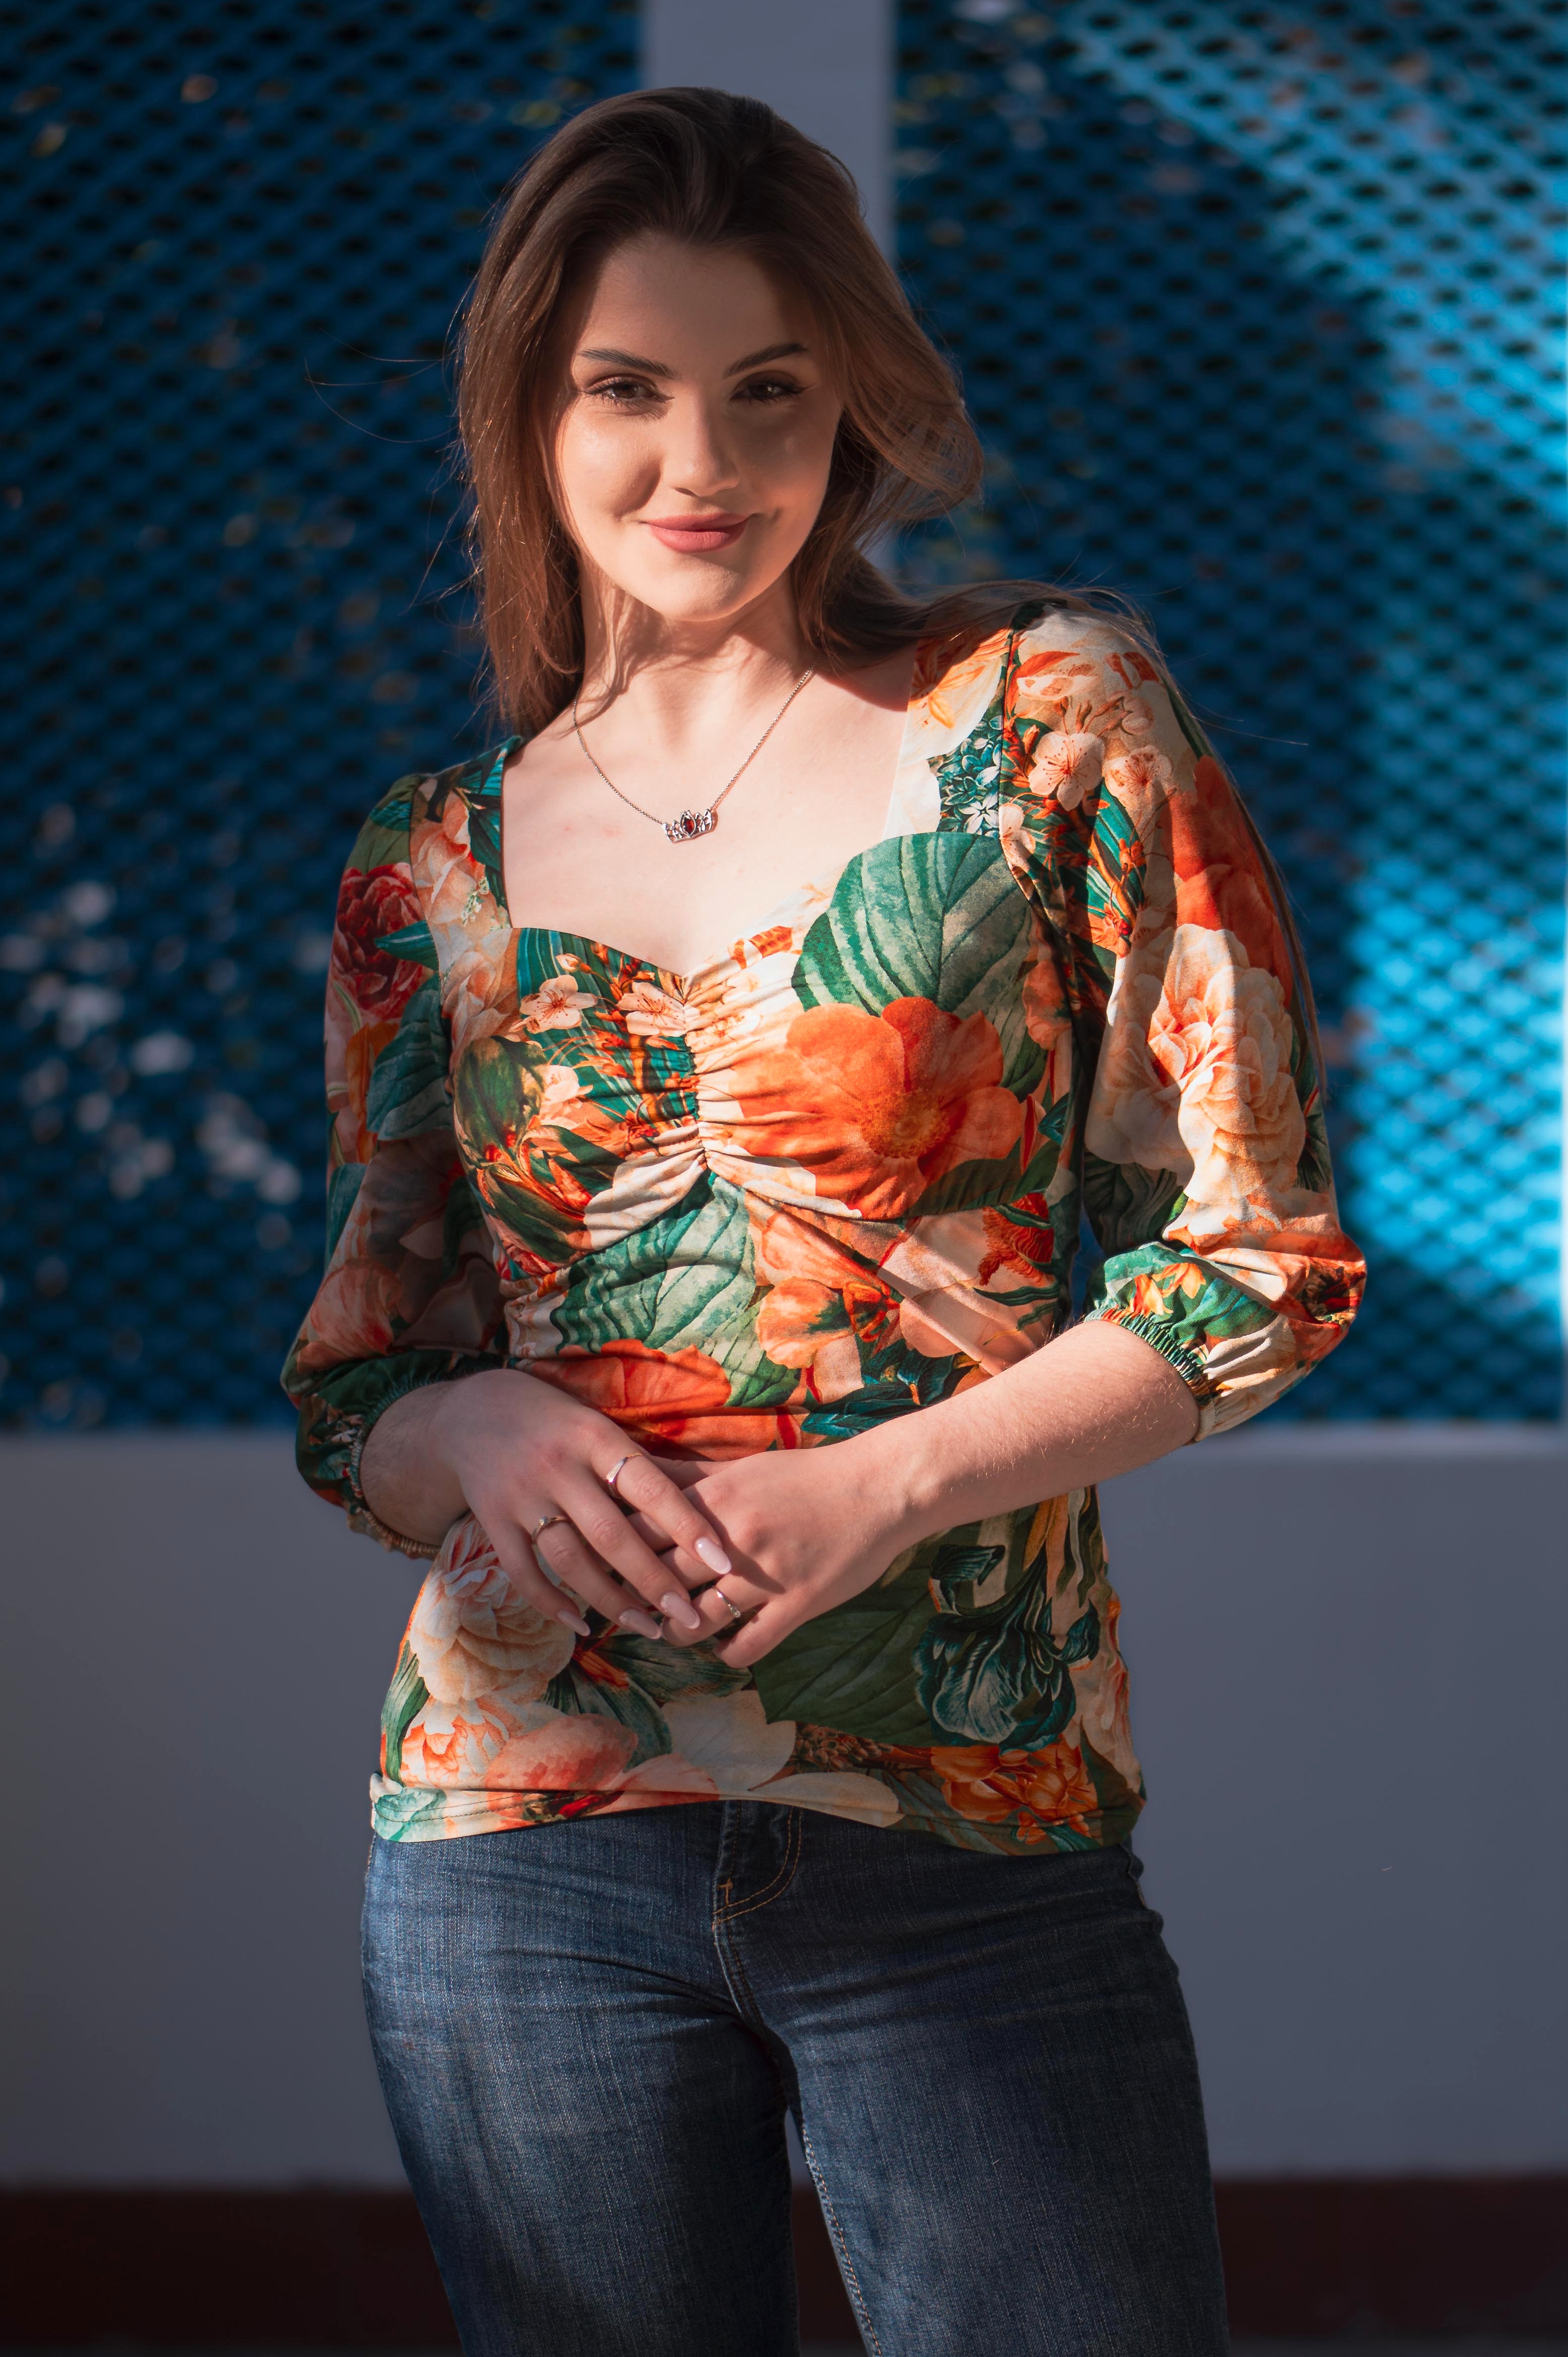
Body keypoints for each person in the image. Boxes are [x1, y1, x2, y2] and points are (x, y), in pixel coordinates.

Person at [283, 86, 1363, 2357]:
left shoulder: (1043, 720)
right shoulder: (430, 862)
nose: (704, 461)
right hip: (518, 1838)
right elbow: (359, 1389)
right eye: (629, 388)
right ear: (529, 412)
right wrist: (469, 1426)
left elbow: (1261, 1258)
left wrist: (891, 1486)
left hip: (967, 1815)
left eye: (768, 390)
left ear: (848, 403)